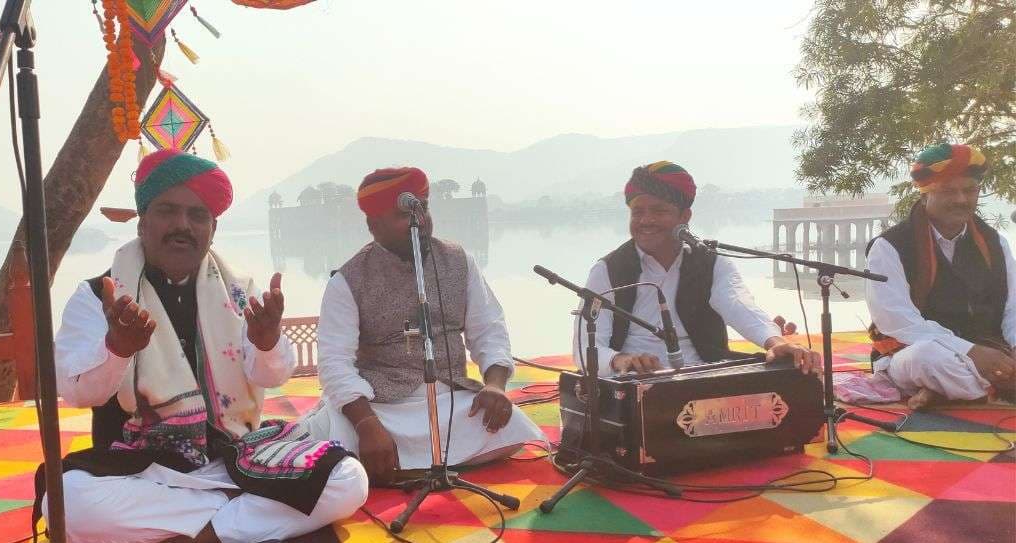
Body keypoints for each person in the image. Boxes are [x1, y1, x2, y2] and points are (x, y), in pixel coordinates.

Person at [38, 149, 368, 543]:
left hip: (239, 455)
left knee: (347, 479)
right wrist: (117, 349)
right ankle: (241, 517)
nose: (182, 226)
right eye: (168, 211)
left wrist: (266, 343)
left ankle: (167, 541)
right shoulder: (99, 295)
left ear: (212, 229)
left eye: (197, 215)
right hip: (141, 469)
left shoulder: (239, 292)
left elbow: (274, 375)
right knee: (66, 507)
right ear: (143, 222)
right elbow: (78, 391)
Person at [300, 167, 545, 485]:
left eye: (423, 209)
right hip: (381, 406)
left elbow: (489, 329)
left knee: (511, 429)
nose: (421, 222)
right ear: (374, 226)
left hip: (450, 400)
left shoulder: (459, 261)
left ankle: (402, 467)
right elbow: (334, 363)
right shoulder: (348, 280)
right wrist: (365, 424)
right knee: (337, 438)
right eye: (405, 215)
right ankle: (402, 456)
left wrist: (495, 386)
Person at [575, 160, 820, 376]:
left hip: (705, 375)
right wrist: (620, 360)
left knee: (790, 372)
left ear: (684, 216)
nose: (645, 221)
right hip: (633, 382)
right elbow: (584, 347)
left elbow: (739, 304)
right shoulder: (607, 270)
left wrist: (774, 342)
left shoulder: (712, 263)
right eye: (637, 212)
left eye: (659, 211)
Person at [865, 143, 1015, 410]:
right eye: (948, 191)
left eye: (969, 191)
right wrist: (969, 351)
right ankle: (995, 387)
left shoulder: (995, 243)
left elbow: (1012, 308)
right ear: (925, 195)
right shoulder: (889, 246)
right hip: (916, 352)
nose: (960, 199)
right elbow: (897, 322)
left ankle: (946, 392)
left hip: (992, 349)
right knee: (928, 359)